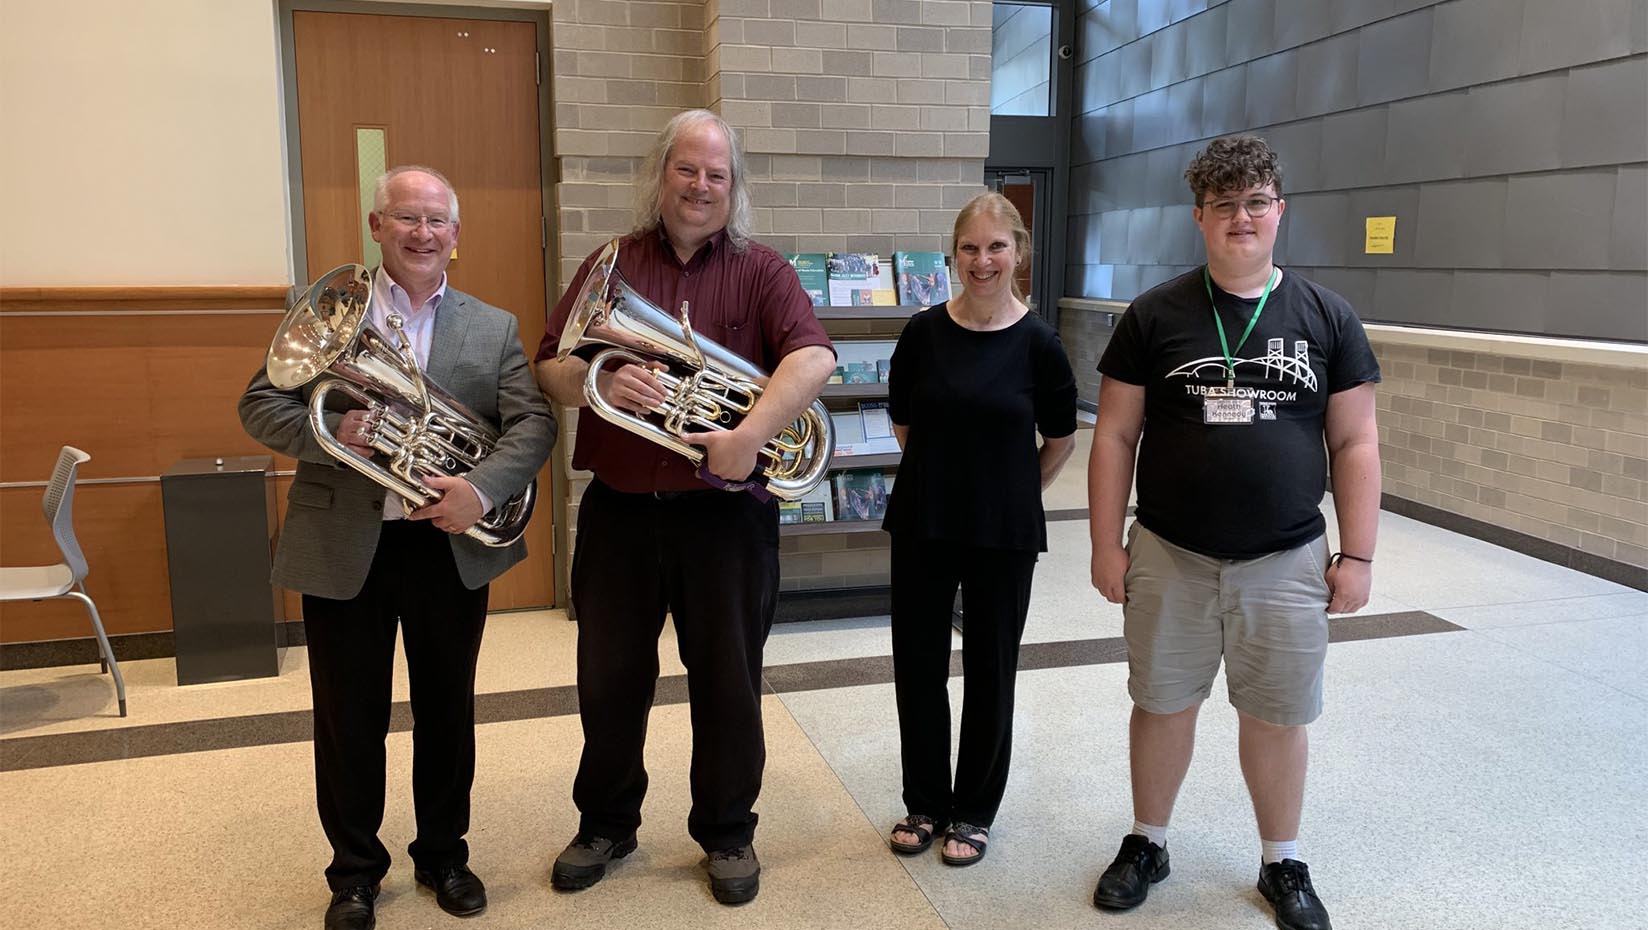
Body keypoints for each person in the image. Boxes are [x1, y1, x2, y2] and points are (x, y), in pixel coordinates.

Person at [532, 109, 836, 906]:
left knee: (729, 681)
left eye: (717, 174)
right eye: (687, 170)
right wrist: (597, 383)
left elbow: (813, 357)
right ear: (661, 174)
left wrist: (750, 432)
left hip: (726, 519)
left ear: (734, 187)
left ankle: (729, 831)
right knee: (608, 680)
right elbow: (549, 364)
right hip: (622, 512)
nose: (701, 186)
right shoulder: (611, 263)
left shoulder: (763, 270)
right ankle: (605, 822)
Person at [240, 166, 555, 930]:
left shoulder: (492, 325)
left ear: (456, 235)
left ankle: (445, 854)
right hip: (345, 542)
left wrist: (479, 490)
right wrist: (330, 435)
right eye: (406, 218)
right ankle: (354, 874)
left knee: (448, 709)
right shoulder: (328, 316)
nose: (423, 233)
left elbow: (533, 426)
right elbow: (258, 405)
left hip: (445, 544)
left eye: (437, 220)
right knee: (349, 718)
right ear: (376, 227)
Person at [1087, 135, 1381, 930]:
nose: (1241, 218)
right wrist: (1105, 543)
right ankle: (1149, 841)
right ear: (1201, 218)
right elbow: (1114, 435)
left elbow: (1355, 442)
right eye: (1225, 205)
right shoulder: (1155, 315)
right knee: (1160, 703)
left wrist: (1357, 553)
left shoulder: (1327, 317)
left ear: (1279, 211)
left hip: (1286, 559)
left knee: (1278, 715)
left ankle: (1281, 859)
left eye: (1256, 202)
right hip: (1170, 554)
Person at [882, 192, 1078, 866]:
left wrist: (1012, 490)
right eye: (970, 247)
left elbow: (1060, 440)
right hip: (924, 519)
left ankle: (974, 810)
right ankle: (925, 801)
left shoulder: (1040, 345)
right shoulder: (922, 333)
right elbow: (904, 423)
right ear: (953, 256)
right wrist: (950, 477)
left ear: (1018, 252)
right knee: (918, 664)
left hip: (1004, 530)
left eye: (997, 246)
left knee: (991, 669)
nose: (983, 260)